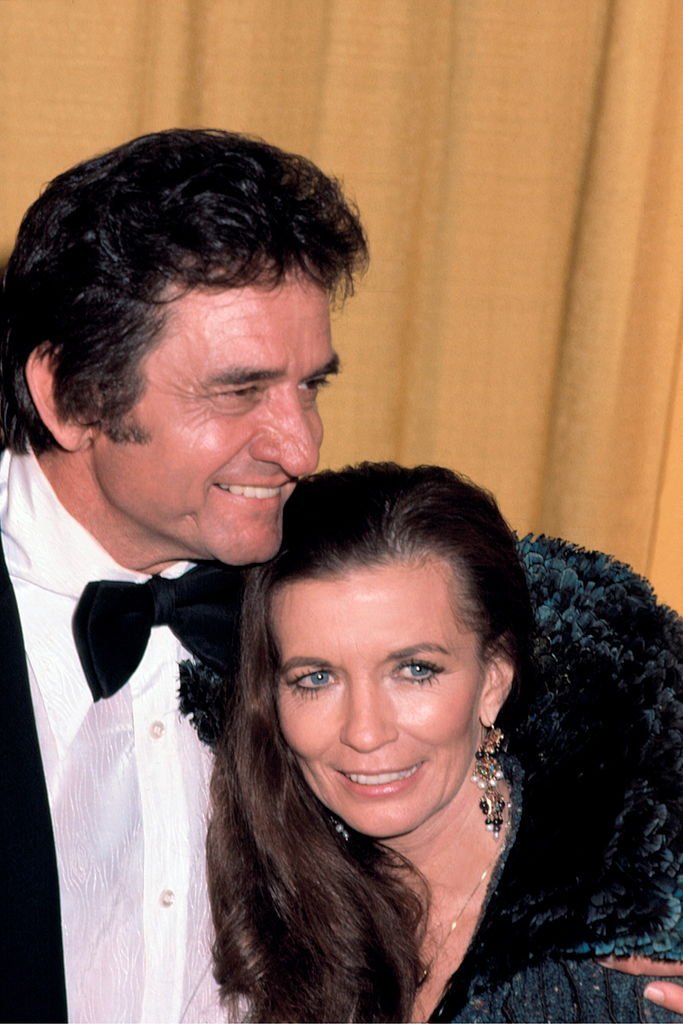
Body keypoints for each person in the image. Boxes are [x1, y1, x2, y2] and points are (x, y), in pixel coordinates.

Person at [0, 127, 368, 1023]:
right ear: (70, 395)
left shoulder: (345, 584)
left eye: (310, 385)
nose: (301, 447)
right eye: (238, 391)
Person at [208, 461, 683, 1022]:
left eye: (414, 670)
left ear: (493, 680)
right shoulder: (259, 888)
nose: (365, 731)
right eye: (316, 678)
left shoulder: (633, 916)